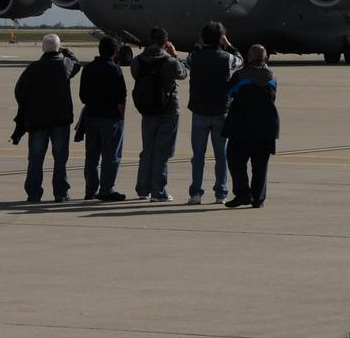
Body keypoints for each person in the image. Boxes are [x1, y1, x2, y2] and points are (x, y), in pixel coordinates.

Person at [12, 34, 81, 202]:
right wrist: (67, 51)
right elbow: (76, 64)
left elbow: (19, 91)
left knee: (35, 159)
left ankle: (33, 193)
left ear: (43, 48)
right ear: (58, 48)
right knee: (60, 158)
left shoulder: (33, 68)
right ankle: (61, 192)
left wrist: (28, 106)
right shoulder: (65, 64)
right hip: (60, 120)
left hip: (37, 120)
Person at [130, 26, 188, 202]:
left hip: (147, 109)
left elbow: (136, 76)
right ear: (165, 42)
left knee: (148, 149)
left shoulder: (138, 61)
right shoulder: (169, 62)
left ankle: (143, 189)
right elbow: (183, 74)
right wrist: (174, 54)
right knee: (162, 151)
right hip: (168, 109)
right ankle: (158, 191)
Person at [186, 21, 241, 204]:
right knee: (221, 155)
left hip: (199, 110)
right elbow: (240, 60)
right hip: (220, 111)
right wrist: (229, 45)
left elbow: (187, 62)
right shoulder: (226, 57)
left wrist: (198, 45)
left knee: (198, 156)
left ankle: (195, 193)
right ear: (220, 39)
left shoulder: (195, 56)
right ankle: (220, 193)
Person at [222, 44, 280, 209]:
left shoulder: (240, 75)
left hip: (241, 125)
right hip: (266, 126)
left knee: (236, 161)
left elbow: (228, 93)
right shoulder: (272, 76)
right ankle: (258, 198)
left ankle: (242, 194)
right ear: (265, 57)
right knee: (260, 165)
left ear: (249, 57)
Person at [78, 36, 128, 202]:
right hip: (111, 118)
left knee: (92, 155)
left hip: (92, 116)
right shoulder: (115, 70)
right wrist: (121, 116)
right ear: (115, 51)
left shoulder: (89, 68)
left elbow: (83, 96)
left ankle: (90, 189)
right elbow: (121, 96)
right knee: (111, 156)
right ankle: (106, 189)